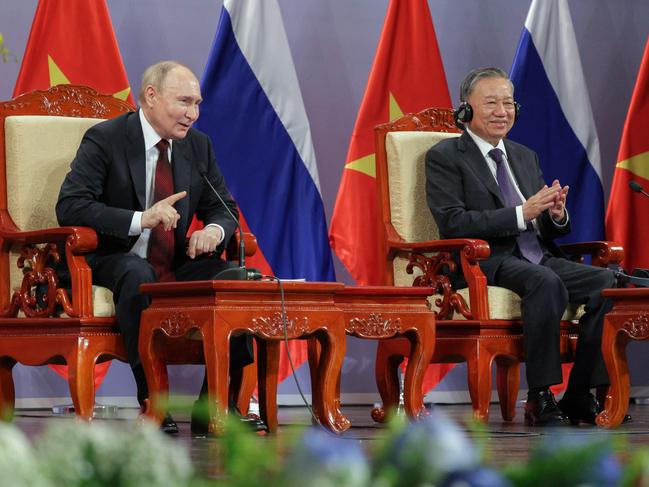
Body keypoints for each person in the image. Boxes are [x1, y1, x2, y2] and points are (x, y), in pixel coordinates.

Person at [56, 60, 263, 434]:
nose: (193, 114)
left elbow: (223, 207)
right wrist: (140, 219)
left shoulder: (197, 147)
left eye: (198, 104)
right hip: (111, 258)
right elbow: (70, 205)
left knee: (238, 281)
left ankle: (215, 407)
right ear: (150, 96)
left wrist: (213, 232)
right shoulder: (107, 139)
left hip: (174, 261)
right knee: (138, 273)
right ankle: (153, 402)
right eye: (184, 102)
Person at [426, 66, 618, 426]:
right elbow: (452, 221)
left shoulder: (524, 155)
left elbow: (545, 226)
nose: (503, 111)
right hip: (486, 259)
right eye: (492, 103)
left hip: (537, 254)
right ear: (465, 109)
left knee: (608, 284)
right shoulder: (446, 156)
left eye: (509, 103)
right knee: (545, 282)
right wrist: (520, 213)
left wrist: (554, 214)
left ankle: (579, 394)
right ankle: (541, 396)